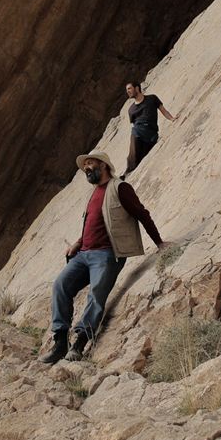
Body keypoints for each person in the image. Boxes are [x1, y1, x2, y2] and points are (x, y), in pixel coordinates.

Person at [41, 151, 169, 363]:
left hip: (107, 254)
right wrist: (77, 244)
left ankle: (80, 342)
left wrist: (159, 242)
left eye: (90, 164)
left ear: (103, 165)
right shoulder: (93, 194)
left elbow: (141, 214)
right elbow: (92, 226)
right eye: (85, 167)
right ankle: (60, 342)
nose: (86, 169)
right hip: (84, 255)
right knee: (60, 286)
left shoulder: (120, 188)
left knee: (97, 293)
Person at [122, 82, 176, 179]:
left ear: (137, 88)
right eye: (127, 90)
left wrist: (172, 119)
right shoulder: (131, 109)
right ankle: (129, 170)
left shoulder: (152, 99)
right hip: (140, 134)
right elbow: (134, 124)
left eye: (129, 88)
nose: (128, 91)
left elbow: (163, 110)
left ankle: (129, 169)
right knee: (138, 149)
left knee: (135, 131)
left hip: (151, 133)